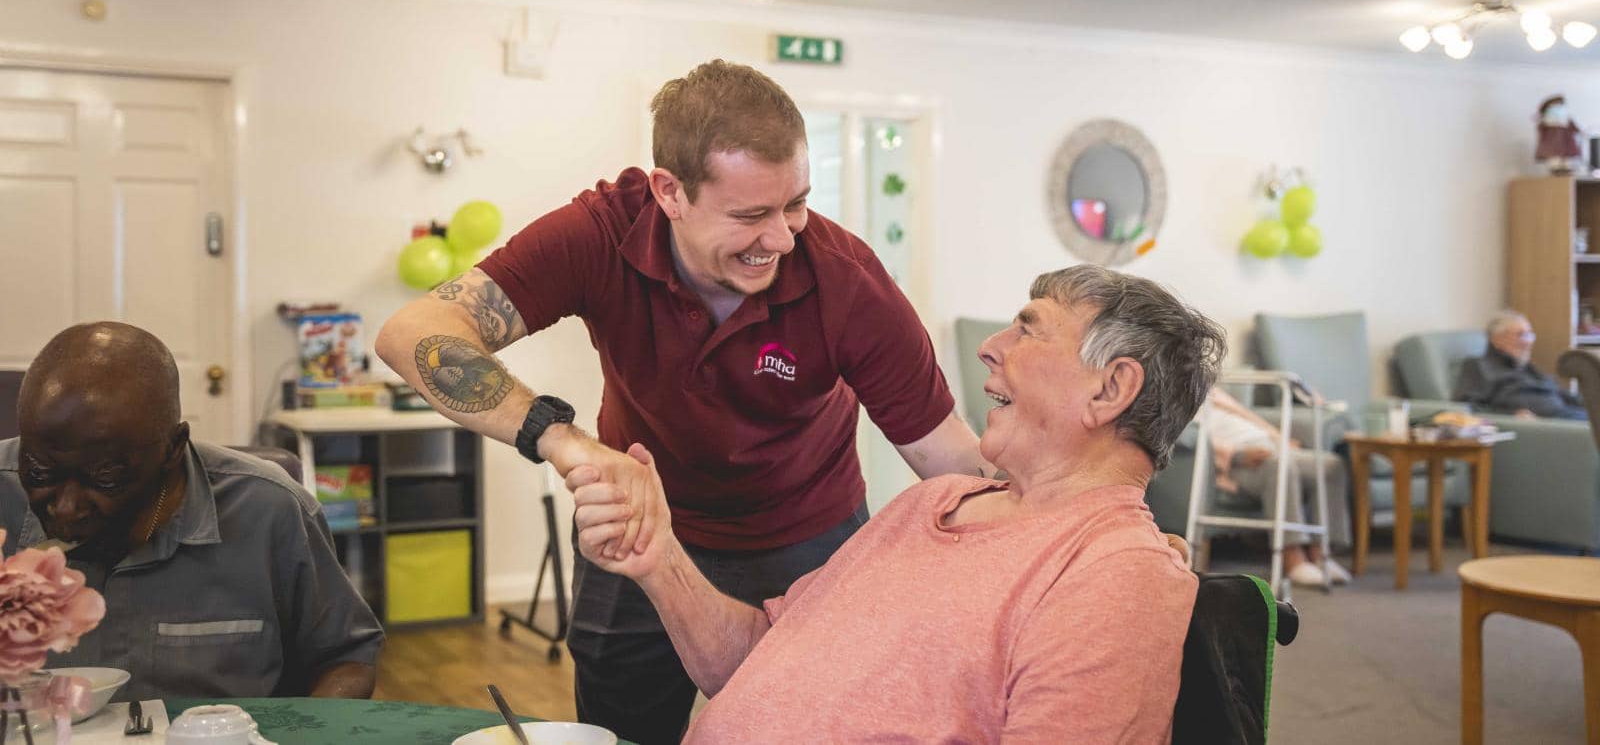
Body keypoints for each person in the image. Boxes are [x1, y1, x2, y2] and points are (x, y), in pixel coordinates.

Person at [375, 59, 993, 743]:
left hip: (808, 535)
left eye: (796, 205)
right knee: (622, 728)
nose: (784, 238)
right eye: (752, 215)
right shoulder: (601, 233)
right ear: (670, 192)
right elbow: (414, 333)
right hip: (642, 529)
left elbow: (950, 458)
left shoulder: (846, 281)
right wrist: (565, 442)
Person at [566, 265, 1218, 743]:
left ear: (1110, 389)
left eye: (1029, 329)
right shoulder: (931, 502)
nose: (991, 346)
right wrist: (658, 556)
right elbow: (759, 657)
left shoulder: (1115, 574)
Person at [0, 322, 383, 701]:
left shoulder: (267, 512)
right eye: (40, 472)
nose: (66, 508)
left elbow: (347, 659)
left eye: (106, 478)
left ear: (173, 449)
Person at [1200, 387, 1351, 587]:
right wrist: (1237, 455)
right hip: (1238, 461)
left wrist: (1281, 439)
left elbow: (1251, 418)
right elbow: (1193, 439)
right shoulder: (1174, 402)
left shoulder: (1213, 392)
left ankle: (1321, 554)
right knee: (1280, 465)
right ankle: (1293, 558)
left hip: (1270, 446)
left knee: (1330, 466)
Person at [1453, 310, 1586, 420]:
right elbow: (1466, 408)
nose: (1528, 342)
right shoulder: (1478, 366)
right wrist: (1512, 415)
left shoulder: (1526, 367)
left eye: (1530, 335)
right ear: (1496, 339)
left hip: (1569, 417)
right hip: (1545, 428)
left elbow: (1566, 396)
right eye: (1521, 335)